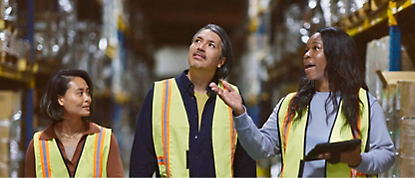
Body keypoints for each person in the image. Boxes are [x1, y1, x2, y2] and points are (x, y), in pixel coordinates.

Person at [210, 27, 395, 177]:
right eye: (306, 49)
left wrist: (358, 160)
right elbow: (260, 149)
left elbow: (386, 155)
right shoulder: (290, 104)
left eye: (316, 48)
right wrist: (240, 113)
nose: (307, 55)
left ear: (336, 54)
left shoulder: (364, 104)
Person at [129, 24, 256, 177]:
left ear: (221, 61)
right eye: (197, 41)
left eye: (211, 45)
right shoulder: (159, 93)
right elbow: (141, 158)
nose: (201, 47)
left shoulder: (231, 97)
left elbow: (245, 162)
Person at [25, 69, 124, 177]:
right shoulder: (38, 145)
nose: (88, 99)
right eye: (80, 93)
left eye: (88, 93)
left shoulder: (105, 139)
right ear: (60, 99)